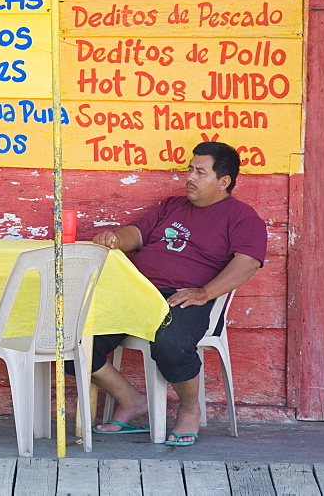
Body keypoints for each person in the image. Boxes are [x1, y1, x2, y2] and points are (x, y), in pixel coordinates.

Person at [88, 141, 267, 446]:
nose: (190, 177)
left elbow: (248, 263)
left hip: (185, 298)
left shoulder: (242, 218)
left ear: (223, 182)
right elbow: (138, 233)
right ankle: (131, 399)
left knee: (171, 344)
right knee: (72, 339)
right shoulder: (170, 206)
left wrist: (204, 292)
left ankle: (188, 408)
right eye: (190, 170)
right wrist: (116, 237)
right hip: (139, 294)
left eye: (200, 172)